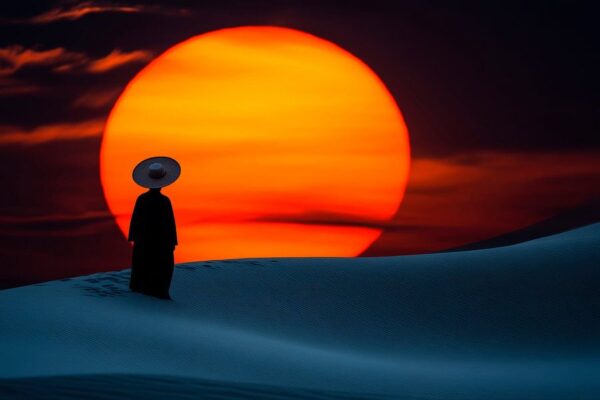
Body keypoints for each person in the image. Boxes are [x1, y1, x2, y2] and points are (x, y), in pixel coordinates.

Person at [128, 156, 181, 299]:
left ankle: (144, 288)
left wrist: (135, 239)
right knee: (162, 268)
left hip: (144, 243)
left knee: (143, 266)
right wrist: (171, 243)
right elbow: (170, 225)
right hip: (160, 244)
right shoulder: (164, 201)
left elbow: (135, 223)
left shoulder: (142, 199)